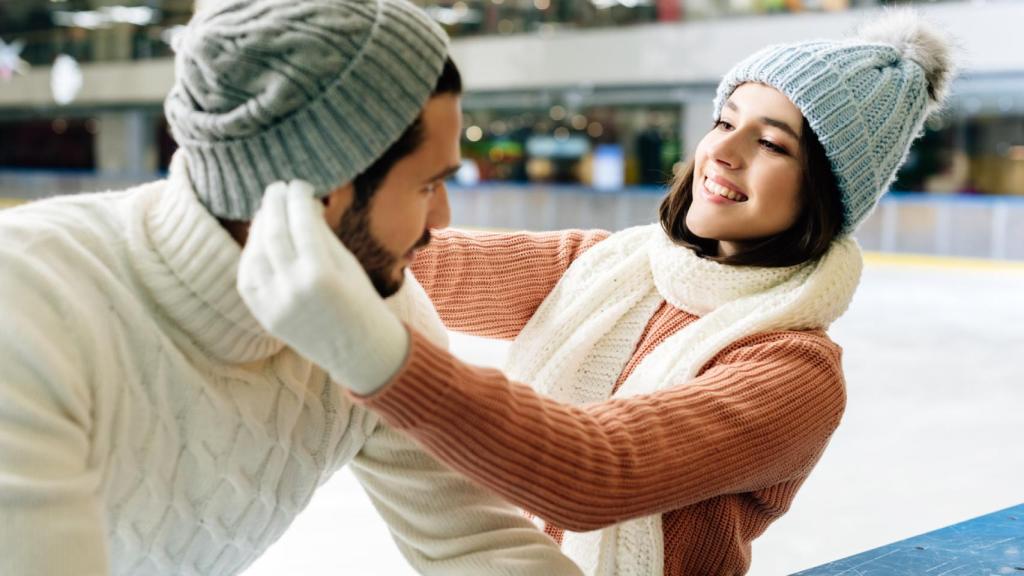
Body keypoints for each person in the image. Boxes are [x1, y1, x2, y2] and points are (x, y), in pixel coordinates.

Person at [238, 9, 954, 576]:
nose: (724, 153)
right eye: (725, 121)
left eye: (772, 144)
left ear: (827, 190)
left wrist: (375, 359)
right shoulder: (605, 266)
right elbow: (422, 261)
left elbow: (594, 474)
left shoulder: (791, 373)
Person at [0, 1, 585, 575]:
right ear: (317, 193)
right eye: (428, 186)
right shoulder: (28, 305)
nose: (445, 219)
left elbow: (480, 545)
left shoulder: (368, 308)